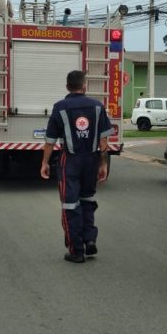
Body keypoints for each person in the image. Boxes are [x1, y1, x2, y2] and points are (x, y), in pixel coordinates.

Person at [41, 70, 113, 264]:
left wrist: (45, 163)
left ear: (67, 87)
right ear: (84, 86)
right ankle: (89, 239)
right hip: (91, 159)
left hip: (70, 161)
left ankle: (76, 251)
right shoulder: (97, 106)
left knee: (70, 205)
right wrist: (103, 163)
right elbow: (103, 141)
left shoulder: (60, 107)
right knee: (87, 200)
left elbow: (50, 141)